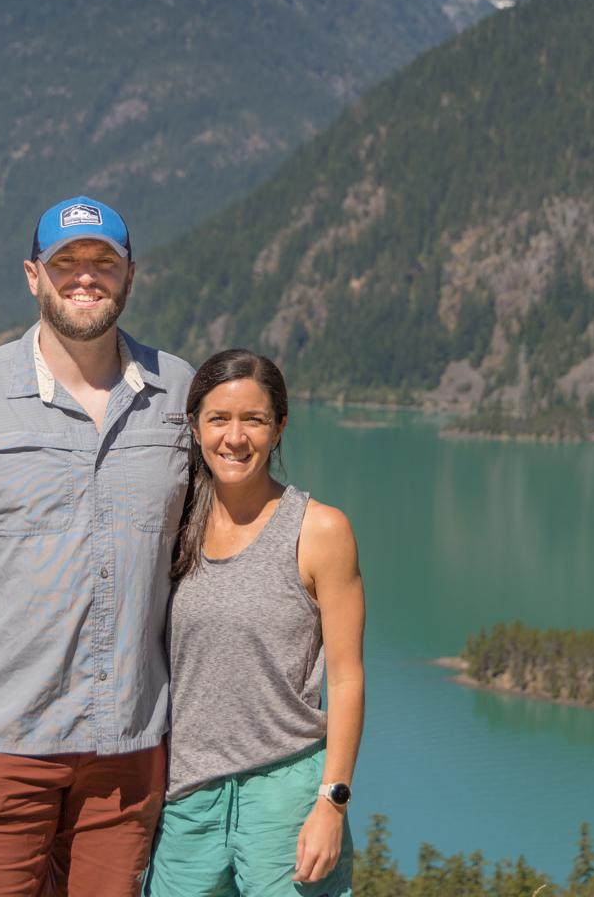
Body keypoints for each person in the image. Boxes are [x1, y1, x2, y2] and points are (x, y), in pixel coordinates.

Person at [0, 195, 194, 897]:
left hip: (129, 753)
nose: (85, 277)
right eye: (65, 263)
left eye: (103, 263)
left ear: (130, 275)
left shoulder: (180, 395)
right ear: (32, 275)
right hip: (0, 748)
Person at [148, 350, 365, 897]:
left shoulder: (320, 530)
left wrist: (331, 803)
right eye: (219, 419)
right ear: (195, 426)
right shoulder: (173, 525)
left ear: (279, 428)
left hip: (286, 793)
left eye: (254, 420)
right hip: (186, 800)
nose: (235, 437)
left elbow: (345, 679)